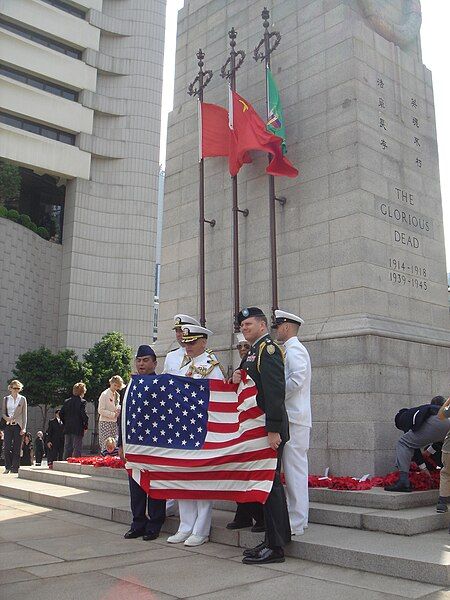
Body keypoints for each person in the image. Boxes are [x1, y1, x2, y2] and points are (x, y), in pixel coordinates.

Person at [233, 307, 291, 564]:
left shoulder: (267, 350)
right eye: (242, 325)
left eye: (248, 324)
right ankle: (273, 539)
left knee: (271, 487)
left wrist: (273, 430)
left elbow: (275, 392)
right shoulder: (254, 351)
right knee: (268, 486)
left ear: (262, 325)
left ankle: (276, 548)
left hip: (270, 430)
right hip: (260, 428)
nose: (243, 328)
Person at [166, 324, 224, 547]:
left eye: (192, 342)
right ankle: (185, 525)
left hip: (201, 429)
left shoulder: (211, 366)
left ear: (203, 342)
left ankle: (201, 529)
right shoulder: (185, 365)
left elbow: (217, 398)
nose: (187, 346)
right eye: (186, 342)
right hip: (182, 429)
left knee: (201, 479)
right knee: (183, 479)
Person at [118, 344, 166, 541]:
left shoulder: (161, 385)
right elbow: (122, 418)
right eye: (138, 360)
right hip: (134, 445)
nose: (141, 364)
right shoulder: (129, 387)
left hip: (156, 444)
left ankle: (154, 525)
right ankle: (138, 523)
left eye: (146, 360)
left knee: (155, 486)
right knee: (136, 486)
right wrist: (121, 444)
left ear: (155, 363)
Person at [273, 309, 311, 536]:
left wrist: (275, 396)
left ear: (286, 327)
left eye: (277, 326)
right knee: (294, 470)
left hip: (295, 418)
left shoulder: (295, 349)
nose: (276, 330)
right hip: (293, 417)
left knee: (295, 471)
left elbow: (296, 379)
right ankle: (297, 518)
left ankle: (297, 521)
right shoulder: (289, 349)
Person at [226, 333, 265, 533]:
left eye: (244, 345)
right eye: (239, 346)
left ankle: (260, 517)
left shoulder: (259, 359)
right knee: (242, 473)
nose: (242, 349)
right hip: (242, 425)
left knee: (254, 475)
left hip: (257, 424)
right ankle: (243, 515)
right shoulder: (243, 363)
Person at [385, 395, 450, 492]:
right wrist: (428, 452)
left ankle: (403, 481)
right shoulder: (419, 411)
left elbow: (412, 447)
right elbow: (440, 440)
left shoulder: (404, 418)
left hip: (438, 420)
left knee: (403, 443)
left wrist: (423, 468)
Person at [2, 380, 27, 474]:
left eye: (18, 388)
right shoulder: (6, 399)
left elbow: (24, 415)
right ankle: (7, 466)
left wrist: (23, 428)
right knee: (7, 447)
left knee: (17, 447)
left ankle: (15, 468)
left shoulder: (22, 399)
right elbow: (3, 413)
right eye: (14, 388)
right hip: (8, 425)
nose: (16, 390)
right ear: (10, 388)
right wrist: (7, 418)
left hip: (18, 425)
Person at [60, 382, 89, 459]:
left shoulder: (67, 401)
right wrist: (85, 425)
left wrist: (65, 422)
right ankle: (75, 462)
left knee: (67, 447)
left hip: (68, 427)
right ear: (82, 392)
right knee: (77, 447)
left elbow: (61, 413)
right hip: (78, 427)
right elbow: (84, 415)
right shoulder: (82, 402)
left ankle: (65, 462)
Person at [98, 375, 124, 451]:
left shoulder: (117, 395)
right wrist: (113, 414)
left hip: (114, 422)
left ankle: (112, 461)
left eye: (118, 386)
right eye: (114, 385)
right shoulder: (104, 394)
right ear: (111, 383)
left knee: (113, 443)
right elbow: (100, 410)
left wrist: (118, 411)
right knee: (105, 443)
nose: (116, 387)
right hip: (105, 422)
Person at [435, 397, 450, 514]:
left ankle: (442, 502)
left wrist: (448, 401)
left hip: (448, 449)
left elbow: (440, 415)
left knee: (446, 474)